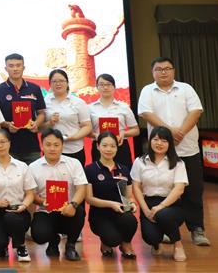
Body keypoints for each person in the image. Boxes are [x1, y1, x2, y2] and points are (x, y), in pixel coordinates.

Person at [137, 57, 208, 246]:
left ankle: (197, 229)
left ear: (173, 71)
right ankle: (168, 229)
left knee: (193, 191)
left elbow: (196, 111)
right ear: (153, 72)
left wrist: (181, 132)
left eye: (167, 68)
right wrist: (169, 133)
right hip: (162, 152)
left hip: (188, 149)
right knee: (164, 192)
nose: (163, 72)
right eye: (159, 69)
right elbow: (146, 114)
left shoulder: (186, 88)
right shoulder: (147, 91)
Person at [130, 126, 189, 262]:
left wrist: (161, 206)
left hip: (172, 205)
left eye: (164, 141)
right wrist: (145, 209)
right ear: (150, 141)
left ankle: (178, 244)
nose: (159, 143)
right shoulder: (140, 162)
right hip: (148, 203)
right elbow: (136, 187)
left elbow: (179, 189)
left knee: (163, 215)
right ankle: (156, 243)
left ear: (170, 144)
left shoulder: (178, 163)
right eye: (155, 139)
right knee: (150, 237)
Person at [28, 130, 88, 261]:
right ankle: (53, 241)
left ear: (62, 146)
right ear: (42, 145)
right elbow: (31, 194)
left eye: (56, 145)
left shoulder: (74, 163)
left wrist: (72, 205)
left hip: (68, 210)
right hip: (46, 210)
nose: (52, 148)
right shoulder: (33, 167)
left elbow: (81, 189)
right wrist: (42, 201)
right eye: (48, 144)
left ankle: (71, 245)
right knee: (39, 235)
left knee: (79, 211)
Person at [0, 129, 34, 262]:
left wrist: (24, 205)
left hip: (18, 211)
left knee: (12, 219)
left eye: (3, 142)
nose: (0, 146)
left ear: (9, 143)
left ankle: (20, 246)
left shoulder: (22, 166)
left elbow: (30, 193)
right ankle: (3, 245)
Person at [85, 131, 137, 259]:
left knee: (130, 220)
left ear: (117, 147)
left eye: (113, 146)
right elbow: (89, 199)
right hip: (99, 215)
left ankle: (126, 243)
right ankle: (106, 241)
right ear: (98, 146)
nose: (109, 149)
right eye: (105, 145)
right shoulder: (90, 169)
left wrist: (132, 203)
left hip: (120, 212)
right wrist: (111, 204)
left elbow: (128, 196)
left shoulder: (123, 169)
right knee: (112, 239)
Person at [0, 53, 46, 164]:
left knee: (33, 174)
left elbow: (41, 113)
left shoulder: (34, 88)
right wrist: (7, 124)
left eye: (18, 65)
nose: (15, 69)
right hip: (7, 147)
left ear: (23, 67)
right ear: (6, 69)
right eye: (11, 66)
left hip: (31, 146)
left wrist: (36, 123)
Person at [41, 69, 92, 165]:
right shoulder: (44, 101)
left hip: (74, 149)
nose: (58, 84)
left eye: (61, 81)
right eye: (54, 81)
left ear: (67, 83)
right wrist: (50, 122)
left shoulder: (78, 102)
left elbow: (87, 126)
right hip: (51, 150)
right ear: (50, 84)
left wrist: (74, 137)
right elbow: (40, 128)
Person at [88, 73, 139, 164]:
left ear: (114, 87)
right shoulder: (90, 108)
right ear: (97, 87)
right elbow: (85, 130)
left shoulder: (124, 107)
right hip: (99, 147)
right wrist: (95, 135)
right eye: (101, 84)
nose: (105, 87)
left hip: (120, 146)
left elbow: (136, 130)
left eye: (108, 84)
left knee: (123, 172)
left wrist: (123, 133)